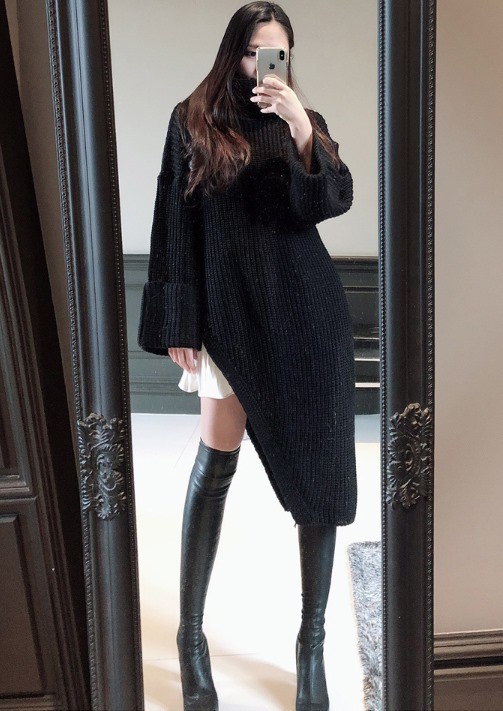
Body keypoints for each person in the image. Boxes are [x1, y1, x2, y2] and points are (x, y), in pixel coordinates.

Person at [137, 2, 357, 709]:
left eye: (278, 52)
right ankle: (190, 636)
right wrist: (180, 317)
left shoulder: (302, 121)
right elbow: (173, 222)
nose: (265, 65)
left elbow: (330, 201)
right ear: (232, 51)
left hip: (306, 316)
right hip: (230, 318)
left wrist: (300, 131)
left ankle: (311, 643)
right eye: (254, 50)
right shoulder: (192, 119)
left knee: (321, 476)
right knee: (215, 465)